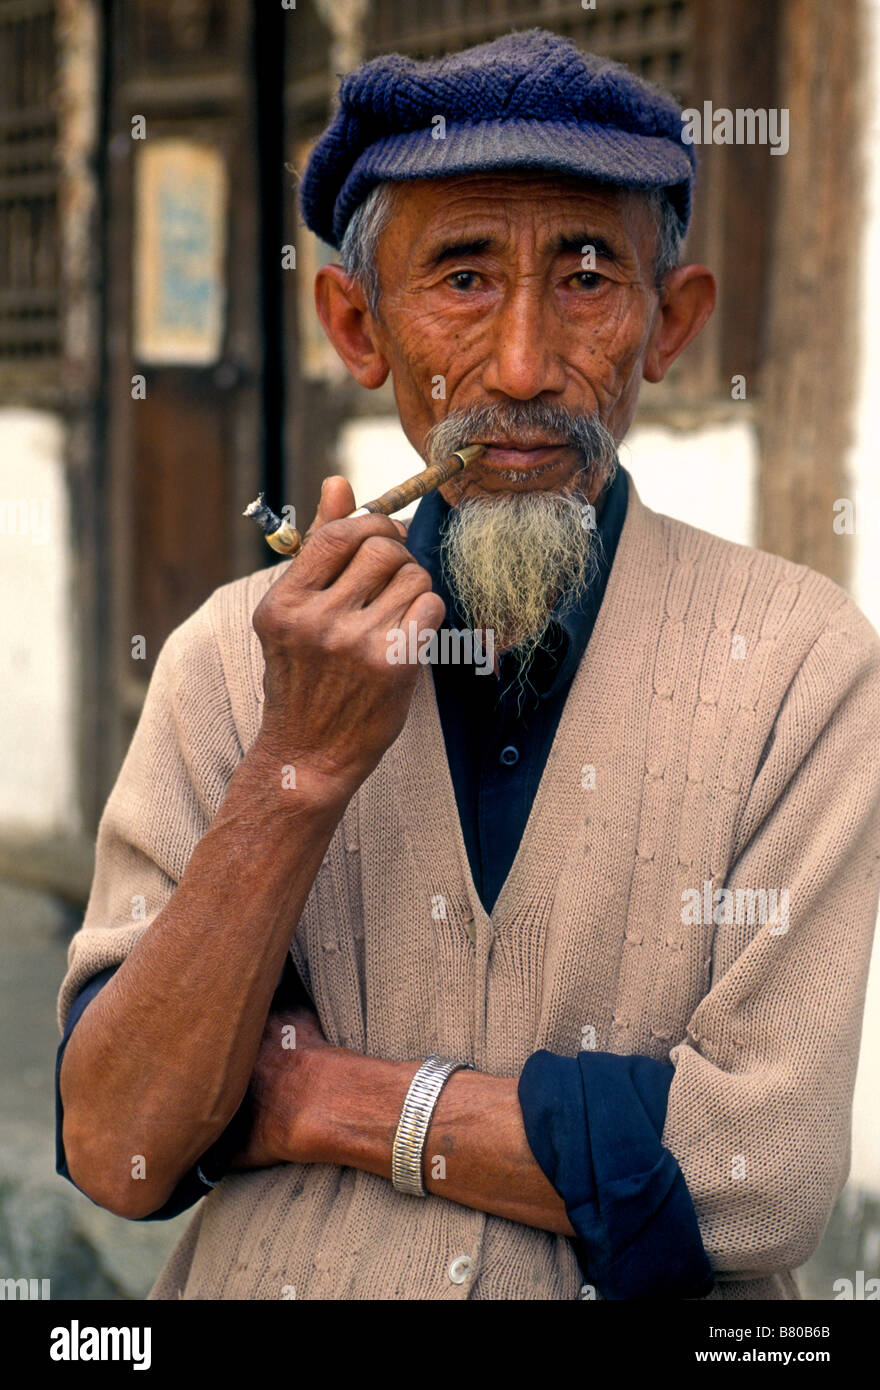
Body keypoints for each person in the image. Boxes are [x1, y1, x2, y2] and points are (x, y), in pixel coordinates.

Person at [55, 28, 880, 1301]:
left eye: (589, 277)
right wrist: (297, 761)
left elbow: (759, 1175)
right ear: (356, 324)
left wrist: (314, 1095)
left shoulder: (800, 667)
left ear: (671, 325)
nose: (520, 367)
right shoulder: (232, 657)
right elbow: (123, 1141)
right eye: (460, 278)